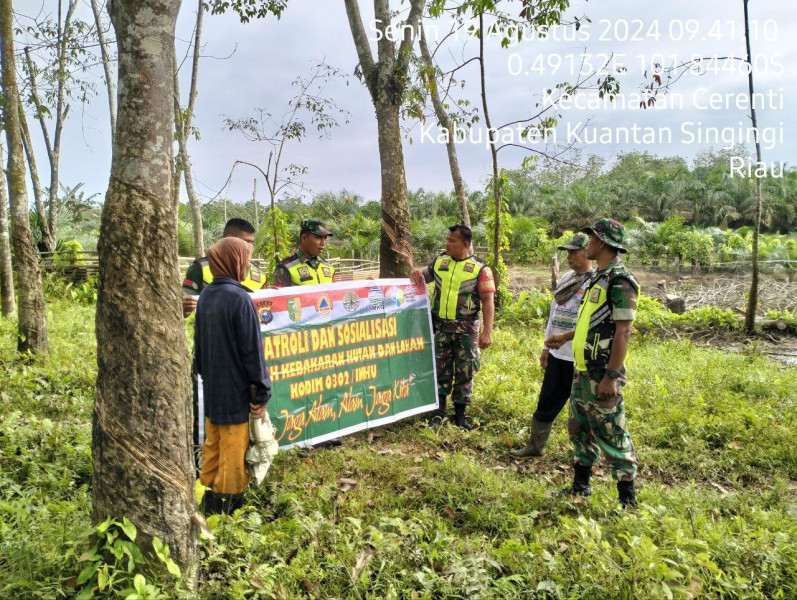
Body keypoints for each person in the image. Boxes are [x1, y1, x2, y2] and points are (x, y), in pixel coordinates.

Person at [545, 218, 640, 507]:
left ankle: (627, 501)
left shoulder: (620, 281)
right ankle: (580, 486)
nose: (588, 243)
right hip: (582, 370)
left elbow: (623, 330)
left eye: (592, 238)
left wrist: (611, 376)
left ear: (604, 243)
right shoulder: (598, 277)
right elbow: (593, 324)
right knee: (580, 428)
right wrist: (565, 336)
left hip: (601, 372)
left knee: (612, 432)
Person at [194, 237, 271, 514]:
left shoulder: (206, 296)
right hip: (236, 394)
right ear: (235, 262)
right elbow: (253, 352)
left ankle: (202, 507)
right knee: (233, 457)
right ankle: (226, 517)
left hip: (214, 392)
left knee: (212, 450)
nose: (248, 264)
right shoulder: (240, 299)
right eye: (246, 259)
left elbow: (198, 351)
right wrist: (262, 392)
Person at [510, 233, 593, 458]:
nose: (569, 257)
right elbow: (553, 315)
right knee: (547, 399)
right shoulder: (567, 277)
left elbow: (594, 324)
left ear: (588, 252)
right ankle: (535, 447)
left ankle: (585, 457)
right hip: (558, 354)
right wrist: (545, 348)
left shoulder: (595, 282)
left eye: (573, 252)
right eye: (567, 252)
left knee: (584, 410)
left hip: (579, 357)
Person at [410, 224, 495, 430]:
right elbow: (422, 277)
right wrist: (415, 273)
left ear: (465, 244)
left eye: (452, 241)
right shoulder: (440, 262)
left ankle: (460, 415)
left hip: (467, 331)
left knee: (465, 372)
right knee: (440, 370)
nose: (447, 243)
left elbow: (488, 302)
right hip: (441, 329)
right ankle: (437, 413)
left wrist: (487, 332)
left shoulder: (480, 270)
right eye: (447, 239)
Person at [182, 218, 267, 318]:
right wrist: (184, 308)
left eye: (252, 243)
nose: (250, 247)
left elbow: (265, 308)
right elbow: (183, 309)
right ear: (227, 239)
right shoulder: (200, 269)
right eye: (246, 242)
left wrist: (274, 294)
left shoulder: (260, 276)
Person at [273, 219, 336, 287]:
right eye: (318, 237)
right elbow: (281, 296)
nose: (323, 243)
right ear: (304, 238)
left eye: (325, 238)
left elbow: (334, 294)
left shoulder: (328, 267)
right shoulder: (285, 267)